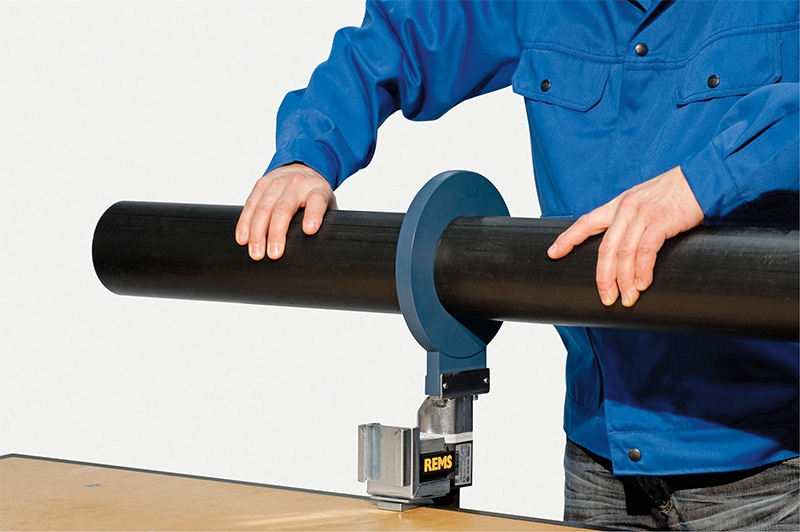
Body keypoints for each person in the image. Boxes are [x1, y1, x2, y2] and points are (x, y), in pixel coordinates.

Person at [236, 1, 799, 529]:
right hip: (601, 460)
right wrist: (307, 154)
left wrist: (702, 181)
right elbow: (399, 38)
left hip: (771, 467)